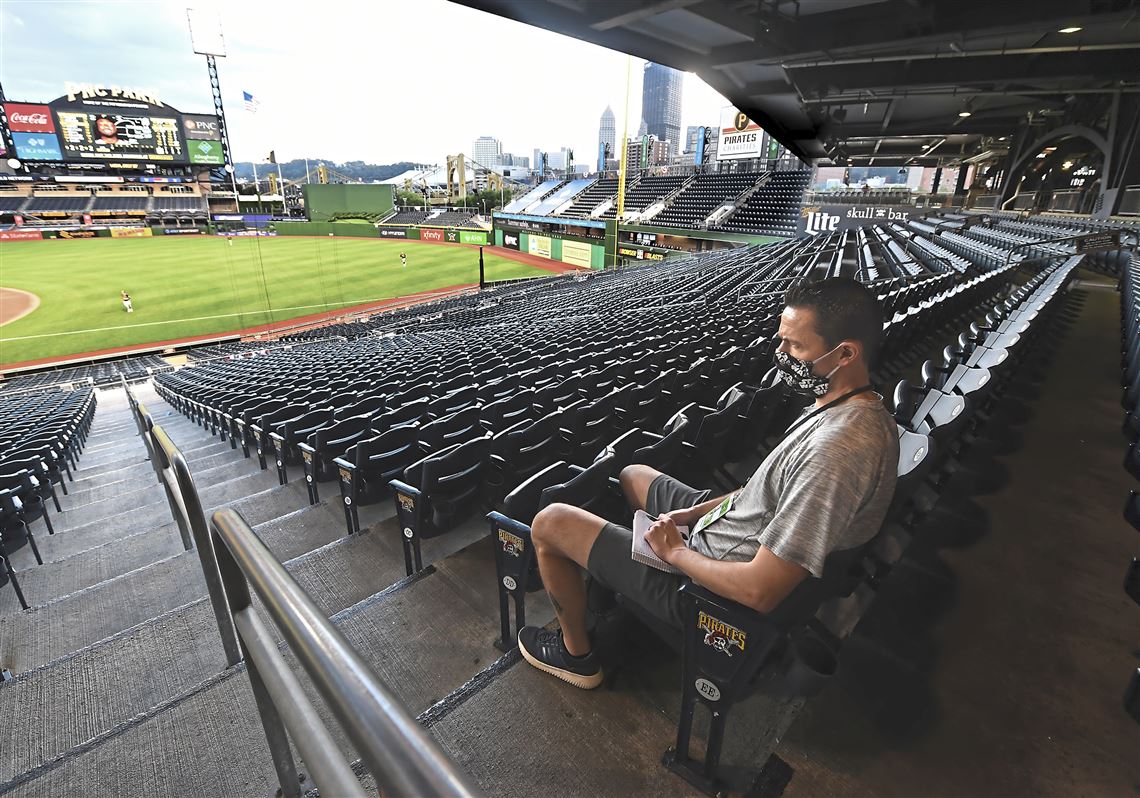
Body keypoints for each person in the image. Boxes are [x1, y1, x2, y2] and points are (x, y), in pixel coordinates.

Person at [516, 277, 900, 689]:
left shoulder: (836, 452)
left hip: (706, 587)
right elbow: (766, 490)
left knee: (549, 522)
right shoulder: (847, 405)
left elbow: (760, 591)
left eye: (795, 346)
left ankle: (577, 656)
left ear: (844, 354)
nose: (781, 354)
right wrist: (693, 512)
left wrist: (675, 553)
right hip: (730, 526)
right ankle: (613, 586)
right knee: (633, 475)